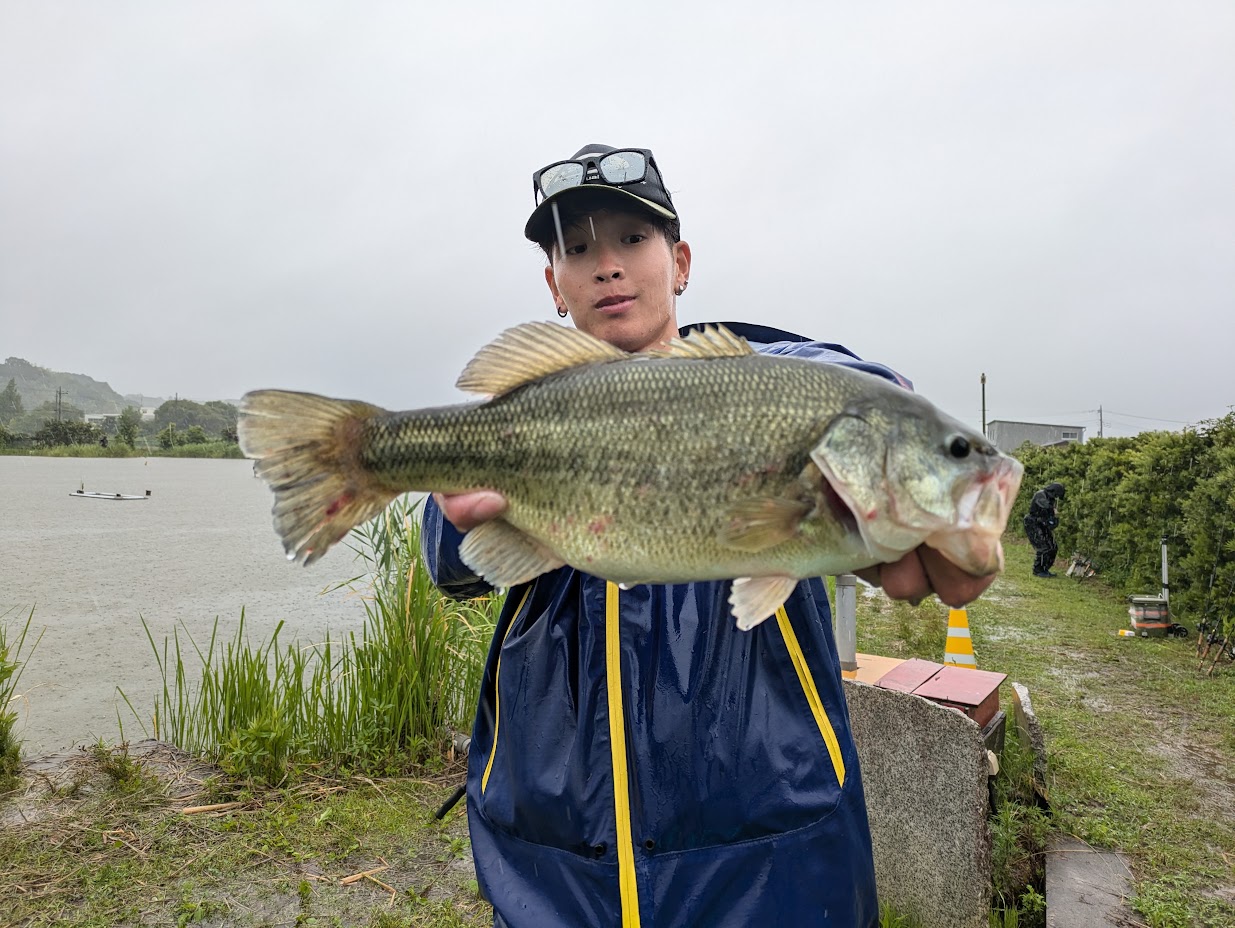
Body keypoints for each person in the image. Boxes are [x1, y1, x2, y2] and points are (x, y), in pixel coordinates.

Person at [422, 144, 995, 927]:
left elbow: (835, 378)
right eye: (577, 250)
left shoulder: (777, 378)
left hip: (770, 865)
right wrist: (453, 509)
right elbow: (448, 561)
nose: (606, 266)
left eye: (631, 239)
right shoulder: (525, 406)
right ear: (553, 286)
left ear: (680, 262)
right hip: (554, 864)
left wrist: (897, 424)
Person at [1024, 482, 1065, 578]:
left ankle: (1044, 569)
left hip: (1042, 523)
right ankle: (1038, 570)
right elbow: (1044, 505)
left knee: (1053, 547)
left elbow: (1049, 516)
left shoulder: (1051, 499)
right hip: (1032, 523)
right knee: (1044, 547)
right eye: (1056, 495)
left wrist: (1054, 520)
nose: (1056, 497)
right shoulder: (1040, 494)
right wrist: (1052, 510)